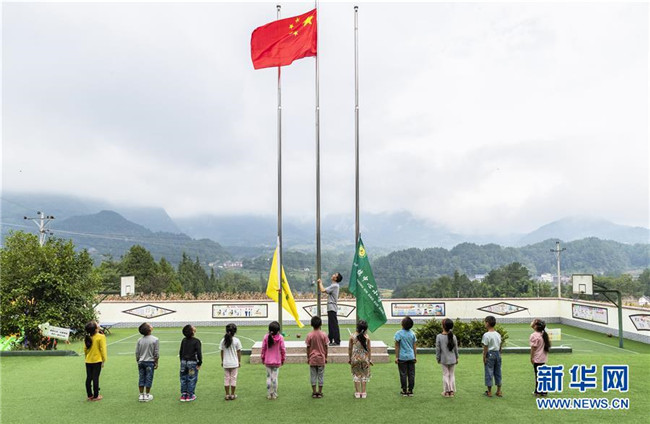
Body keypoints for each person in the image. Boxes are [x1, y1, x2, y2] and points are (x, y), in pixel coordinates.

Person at [305, 315, 329, 398]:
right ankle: (320, 392)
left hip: (312, 358)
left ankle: (314, 392)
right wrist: (326, 357)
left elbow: (308, 347)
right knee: (320, 375)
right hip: (321, 358)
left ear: (311, 324)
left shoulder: (309, 335)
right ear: (321, 324)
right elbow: (326, 347)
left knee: (313, 375)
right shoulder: (324, 334)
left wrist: (308, 358)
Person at [261, 321, 285, 400]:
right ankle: (274, 394)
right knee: (274, 378)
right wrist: (283, 359)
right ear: (278, 330)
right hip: (276, 361)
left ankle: (269, 394)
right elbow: (283, 349)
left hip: (268, 361)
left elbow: (263, 349)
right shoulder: (280, 337)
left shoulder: (266, 337)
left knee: (268, 377)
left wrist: (262, 358)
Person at [135, 323, 159, 402]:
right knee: (149, 378)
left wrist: (138, 360)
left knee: (141, 377)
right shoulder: (155, 339)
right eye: (150, 325)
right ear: (149, 329)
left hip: (141, 362)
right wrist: (156, 362)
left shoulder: (139, 340)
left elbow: (137, 352)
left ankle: (141, 395)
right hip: (150, 362)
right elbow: (156, 353)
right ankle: (147, 395)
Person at [84, 321, 107, 401]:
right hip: (97, 361)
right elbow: (103, 349)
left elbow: (85, 349)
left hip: (88, 361)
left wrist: (87, 357)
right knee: (95, 378)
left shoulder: (87, 337)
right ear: (96, 329)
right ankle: (96, 396)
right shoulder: (101, 337)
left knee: (89, 378)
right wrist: (104, 360)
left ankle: (89, 395)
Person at [348, 320, 372, 399]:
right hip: (364, 358)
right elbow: (369, 349)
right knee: (364, 375)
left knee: (356, 375)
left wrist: (350, 358)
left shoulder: (352, 336)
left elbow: (350, 348)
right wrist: (370, 359)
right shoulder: (367, 337)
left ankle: (357, 392)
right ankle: (364, 392)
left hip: (355, 358)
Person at [436, 318, 459, 397]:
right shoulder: (453, 336)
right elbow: (456, 348)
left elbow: (438, 349)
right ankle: (451, 391)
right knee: (452, 374)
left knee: (445, 374)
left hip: (444, 359)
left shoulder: (439, 337)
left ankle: (446, 391)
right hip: (453, 359)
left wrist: (438, 358)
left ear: (443, 326)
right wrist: (457, 357)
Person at [394, 316, 417, 396]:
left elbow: (397, 346)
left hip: (402, 357)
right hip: (411, 356)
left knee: (403, 374)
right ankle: (410, 390)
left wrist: (396, 357)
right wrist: (415, 356)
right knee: (411, 374)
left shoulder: (398, 333)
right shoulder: (412, 334)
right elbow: (414, 346)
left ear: (402, 324)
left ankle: (404, 390)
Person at [179, 325, 202, 402]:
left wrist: (181, 361)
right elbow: (199, 353)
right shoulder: (196, 341)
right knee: (191, 378)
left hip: (183, 362)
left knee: (183, 378)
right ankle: (190, 395)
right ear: (192, 331)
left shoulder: (184, 340)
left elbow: (181, 351)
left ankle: (183, 394)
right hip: (192, 363)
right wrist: (199, 363)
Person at [318, 273, 342, 346]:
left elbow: (323, 290)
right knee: (331, 324)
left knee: (333, 325)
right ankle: (330, 339)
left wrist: (320, 282)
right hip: (331, 307)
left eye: (335, 274)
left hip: (332, 307)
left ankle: (337, 341)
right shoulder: (334, 285)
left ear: (336, 278)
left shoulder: (335, 286)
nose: (333, 275)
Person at [482, 315, 503, 398]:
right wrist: (500, 354)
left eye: (485, 322)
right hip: (497, 354)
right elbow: (500, 346)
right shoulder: (498, 334)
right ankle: (499, 391)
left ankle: (489, 392)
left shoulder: (486, 335)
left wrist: (484, 357)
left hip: (490, 354)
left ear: (487, 323)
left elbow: (485, 347)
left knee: (489, 372)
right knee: (498, 372)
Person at [220, 323, 242, 401]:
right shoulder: (236, 340)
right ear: (235, 331)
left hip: (226, 362)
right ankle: (232, 394)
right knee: (233, 378)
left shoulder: (223, 340)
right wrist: (239, 361)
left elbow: (222, 351)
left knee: (226, 378)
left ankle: (227, 394)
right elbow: (239, 352)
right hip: (234, 363)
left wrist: (222, 361)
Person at [529, 319, 551, 397]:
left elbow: (533, 348)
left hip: (537, 358)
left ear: (536, 326)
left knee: (537, 375)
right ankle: (544, 391)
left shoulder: (534, 335)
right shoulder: (543, 334)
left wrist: (531, 357)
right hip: (543, 358)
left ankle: (537, 391)